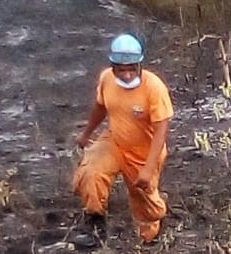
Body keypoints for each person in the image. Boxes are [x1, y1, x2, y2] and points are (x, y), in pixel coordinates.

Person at [72, 34, 174, 247]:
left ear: (140, 65)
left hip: (145, 150)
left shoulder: (154, 88)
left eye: (131, 68)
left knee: (144, 202)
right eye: (121, 69)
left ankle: (151, 234)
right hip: (115, 141)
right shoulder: (106, 79)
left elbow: (161, 129)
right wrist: (86, 134)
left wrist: (148, 168)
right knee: (91, 173)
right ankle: (95, 226)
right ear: (113, 66)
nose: (127, 75)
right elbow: (100, 107)